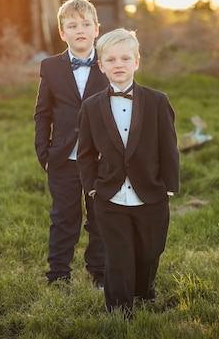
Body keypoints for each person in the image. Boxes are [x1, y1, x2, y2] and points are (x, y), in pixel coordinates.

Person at [77, 28, 180, 318]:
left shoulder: (158, 101)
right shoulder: (91, 107)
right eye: (110, 60)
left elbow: (168, 146)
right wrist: (92, 187)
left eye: (125, 58)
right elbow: (84, 154)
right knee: (118, 256)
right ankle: (120, 311)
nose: (118, 65)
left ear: (137, 62)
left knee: (149, 251)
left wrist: (168, 186)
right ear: (101, 66)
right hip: (109, 195)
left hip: (150, 192)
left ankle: (143, 290)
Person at [34, 0, 108, 288]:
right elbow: (42, 113)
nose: (80, 30)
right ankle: (58, 275)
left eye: (86, 24)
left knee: (100, 217)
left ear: (96, 29)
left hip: (101, 159)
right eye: (72, 26)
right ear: (62, 33)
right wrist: (45, 153)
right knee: (64, 217)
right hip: (63, 157)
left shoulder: (107, 63)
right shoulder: (51, 67)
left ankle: (100, 271)